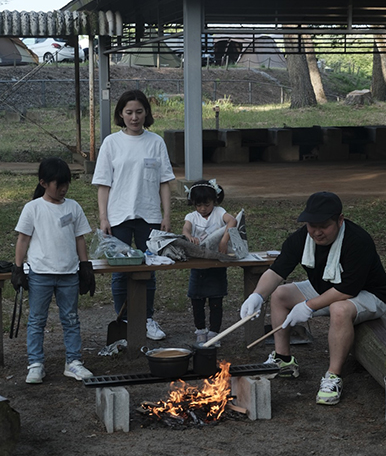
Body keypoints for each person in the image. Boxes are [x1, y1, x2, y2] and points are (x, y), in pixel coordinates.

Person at [240, 191, 386, 405]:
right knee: (280, 294)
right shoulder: (302, 238)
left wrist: (308, 306)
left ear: (339, 220)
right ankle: (283, 360)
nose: (317, 233)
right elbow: (276, 272)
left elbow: (347, 289)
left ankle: (333, 376)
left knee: (339, 309)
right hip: (327, 287)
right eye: (312, 226)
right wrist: (257, 295)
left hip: (369, 294)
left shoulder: (358, 241)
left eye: (324, 226)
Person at [92, 89, 175, 341]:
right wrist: (104, 217)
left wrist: (166, 215)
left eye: (139, 112)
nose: (134, 117)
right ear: (121, 114)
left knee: (148, 267)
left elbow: (164, 182)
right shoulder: (111, 143)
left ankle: (147, 317)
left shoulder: (156, 142)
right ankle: (124, 320)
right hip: (118, 217)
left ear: (146, 114)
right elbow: (103, 184)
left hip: (149, 216)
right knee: (121, 270)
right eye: (129, 112)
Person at [12, 157, 95, 384]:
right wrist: (18, 268)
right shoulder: (33, 208)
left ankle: (74, 362)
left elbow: (79, 239)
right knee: (37, 320)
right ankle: (36, 363)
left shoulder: (73, 207)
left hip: (69, 274)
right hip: (40, 274)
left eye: (66, 183)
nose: (63, 189)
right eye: (58, 184)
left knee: (71, 319)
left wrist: (85, 265)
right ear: (43, 183)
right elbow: (22, 240)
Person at [183, 179, 237, 345]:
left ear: (214, 201)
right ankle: (200, 329)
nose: (203, 209)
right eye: (198, 205)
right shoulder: (192, 217)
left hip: (216, 264)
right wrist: (189, 236)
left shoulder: (219, 212)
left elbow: (232, 221)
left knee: (216, 299)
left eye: (206, 204)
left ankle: (214, 332)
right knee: (196, 298)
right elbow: (185, 229)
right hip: (198, 264)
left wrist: (224, 240)